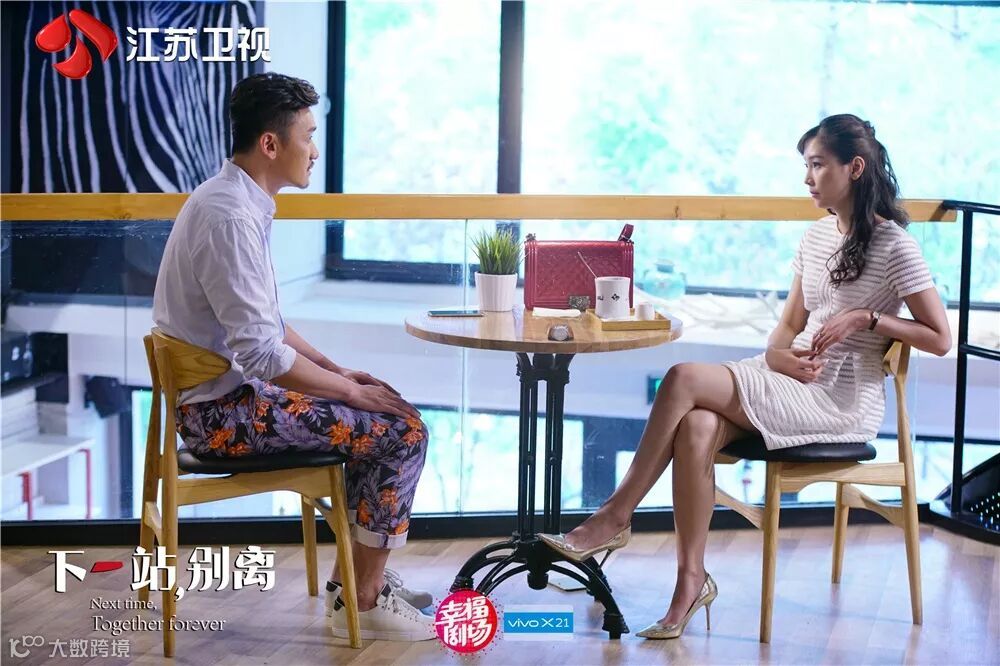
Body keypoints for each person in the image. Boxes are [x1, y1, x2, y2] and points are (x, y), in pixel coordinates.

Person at [538, 113, 952, 639]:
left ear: (854, 168)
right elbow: (788, 327)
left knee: (682, 377)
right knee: (696, 426)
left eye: (817, 165)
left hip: (839, 402)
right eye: (806, 166)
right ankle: (691, 583)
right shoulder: (816, 237)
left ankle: (615, 516)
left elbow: (940, 338)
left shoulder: (896, 247)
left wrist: (867, 318)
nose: (807, 178)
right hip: (786, 380)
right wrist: (776, 357)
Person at [152, 73, 435, 642]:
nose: (315, 150)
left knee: (378, 416)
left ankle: (352, 585)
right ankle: (364, 599)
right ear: (270, 144)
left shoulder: (233, 201)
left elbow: (268, 325)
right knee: (403, 431)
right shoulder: (230, 217)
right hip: (223, 417)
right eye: (308, 135)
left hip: (228, 400)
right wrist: (350, 393)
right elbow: (261, 353)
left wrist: (336, 372)